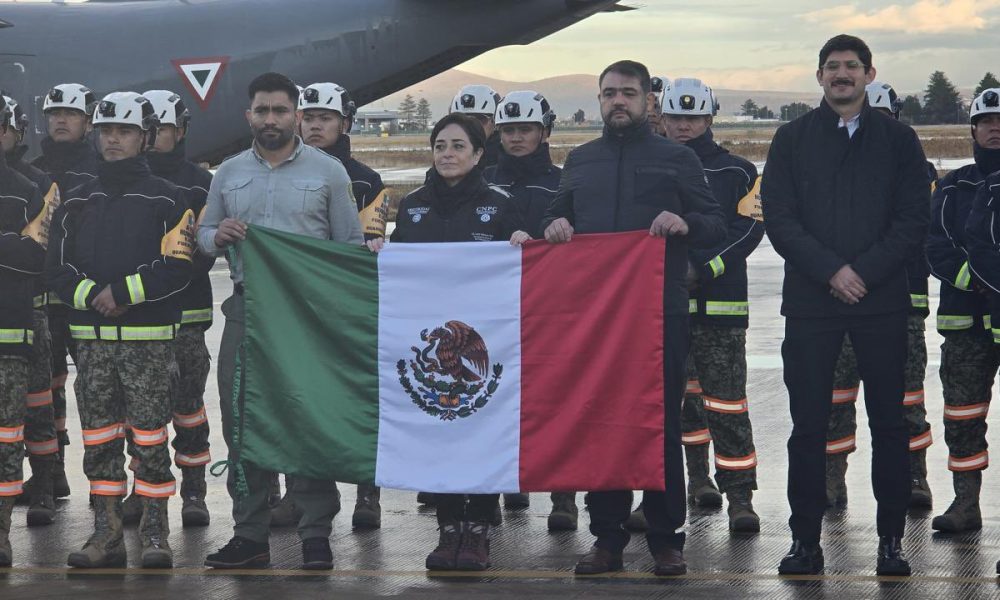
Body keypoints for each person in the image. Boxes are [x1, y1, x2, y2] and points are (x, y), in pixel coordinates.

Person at [542, 59, 726, 577]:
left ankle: (667, 539)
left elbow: (714, 222)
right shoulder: (580, 159)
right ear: (599, 101)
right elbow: (552, 215)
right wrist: (554, 222)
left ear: (649, 101)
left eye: (627, 93)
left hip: (657, 314)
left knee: (658, 423)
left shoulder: (677, 158)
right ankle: (606, 540)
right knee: (602, 423)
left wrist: (684, 221)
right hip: (595, 319)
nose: (617, 101)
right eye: (608, 94)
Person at [761, 34, 930, 576]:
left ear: (869, 74)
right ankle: (805, 542)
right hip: (812, 303)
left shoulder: (900, 140)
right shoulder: (790, 139)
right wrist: (831, 270)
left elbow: (911, 220)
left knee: (889, 423)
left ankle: (890, 542)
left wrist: (865, 272)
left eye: (851, 67)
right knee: (809, 426)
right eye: (832, 67)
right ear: (819, 77)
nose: (842, 75)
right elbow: (781, 218)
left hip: (881, 303)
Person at [198, 72, 363, 571]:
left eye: (280, 110)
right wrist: (217, 235)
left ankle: (315, 534)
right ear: (248, 115)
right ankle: (250, 534)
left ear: (296, 114)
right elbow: (203, 235)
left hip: (306, 317)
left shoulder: (329, 172)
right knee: (242, 421)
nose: (271, 119)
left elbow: (350, 250)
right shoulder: (226, 173)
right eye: (261, 110)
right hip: (247, 312)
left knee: (305, 418)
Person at [47, 91, 195, 568]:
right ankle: (105, 534)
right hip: (90, 346)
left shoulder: (171, 199)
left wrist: (125, 292)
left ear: (145, 138)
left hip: (147, 344)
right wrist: (92, 294)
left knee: (151, 440)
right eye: (107, 130)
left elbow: (179, 266)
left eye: (125, 131)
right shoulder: (75, 198)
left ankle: (155, 534)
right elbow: (56, 267)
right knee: (98, 442)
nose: (114, 138)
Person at [389, 112, 524, 571]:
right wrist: (380, 252)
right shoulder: (411, 205)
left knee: (482, 427)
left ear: (479, 154)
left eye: (458, 146)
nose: (447, 153)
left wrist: (528, 242)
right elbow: (400, 265)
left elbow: (525, 269)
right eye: (440, 145)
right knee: (441, 425)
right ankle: (448, 526)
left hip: (488, 340)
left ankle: (481, 524)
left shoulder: (501, 204)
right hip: (429, 338)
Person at [824, 81, 937, 511]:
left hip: (900, 303)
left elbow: (913, 232)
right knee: (835, 398)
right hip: (839, 302)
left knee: (906, 398)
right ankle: (832, 479)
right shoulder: (835, 166)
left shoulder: (916, 170)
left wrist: (864, 271)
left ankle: (914, 476)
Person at [660, 78, 764, 533]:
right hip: (661, 307)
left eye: (694, 118)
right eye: (676, 117)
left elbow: (750, 230)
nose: (684, 126)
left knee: (726, 405)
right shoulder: (650, 168)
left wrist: (703, 269)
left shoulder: (738, 171)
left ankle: (740, 497)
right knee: (670, 406)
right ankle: (685, 486)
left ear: (709, 118)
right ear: (662, 118)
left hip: (720, 309)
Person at [483, 90, 578, 528]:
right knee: (497, 398)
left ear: (545, 132)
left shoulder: (565, 181)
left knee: (561, 400)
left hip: (552, 309)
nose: (517, 138)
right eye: (508, 130)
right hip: (495, 312)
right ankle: (507, 482)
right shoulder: (480, 180)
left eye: (525, 129)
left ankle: (564, 497)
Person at [298, 81, 389, 529]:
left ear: (345, 123)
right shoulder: (284, 172)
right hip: (297, 307)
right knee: (304, 401)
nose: (315, 126)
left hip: (348, 306)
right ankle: (306, 492)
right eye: (309, 118)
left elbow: (370, 243)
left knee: (357, 400)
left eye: (325, 119)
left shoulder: (367, 180)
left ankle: (367, 492)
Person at [122, 89, 214, 528]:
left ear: (180, 132)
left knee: (188, 406)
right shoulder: (122, 184)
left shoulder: (201, 183)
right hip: (139, 317)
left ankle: (194, 490)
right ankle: (141, 490)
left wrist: (164, 278)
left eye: (165, 129)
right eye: (151, 128)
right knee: (138, 414)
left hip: (187, 315)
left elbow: (204, 251)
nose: (158, 136)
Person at [931, 87, 1000, 534]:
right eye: (987, 122)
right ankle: (965, 504)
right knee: (962, 414)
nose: (996, 129)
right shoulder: (953, 185)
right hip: (966, 324)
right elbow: (935, 246)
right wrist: (977, 280)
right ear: (973, 130)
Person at [31, 83, 99, 501]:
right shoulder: (34, 171)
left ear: (88, 123)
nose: (61, 119)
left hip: (87, 298)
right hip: (44, 300)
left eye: (71, 114)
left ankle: (105, 483)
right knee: (46, 388)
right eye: (55, 113)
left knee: (95, 390)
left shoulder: (99, 171)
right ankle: (53, 473)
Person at [1, 94, 62, 523]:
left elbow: (39, 253)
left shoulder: (35, 186)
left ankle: (43, 485)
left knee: (38, 406)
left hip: (30, 313)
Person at [0, 95, 48, 566]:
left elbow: (36, 255)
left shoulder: (25, 189)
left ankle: (1, 535)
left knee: (5, 439)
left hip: (7, 337)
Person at [450, 84, 502, 169]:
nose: (470, 125)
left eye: (479, 120)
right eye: (460, 120)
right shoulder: (445, 158)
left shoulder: (507, 163)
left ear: (495, 122)